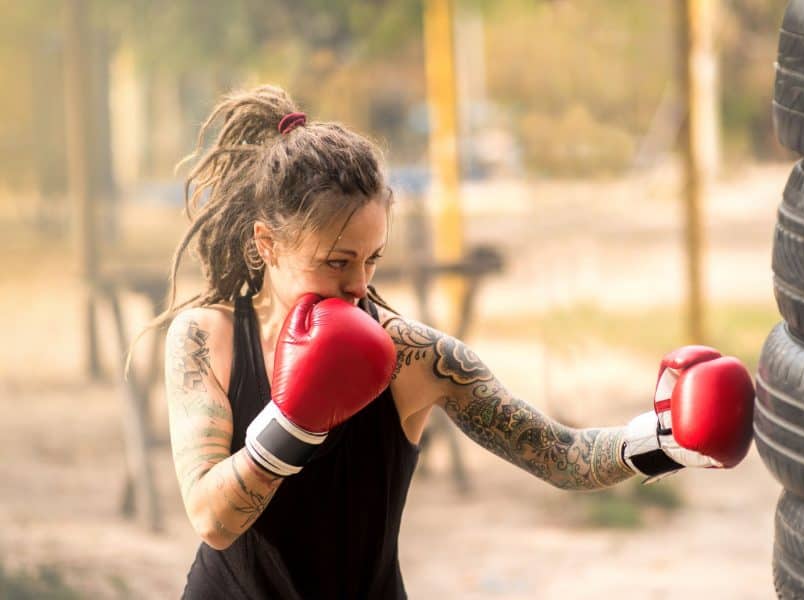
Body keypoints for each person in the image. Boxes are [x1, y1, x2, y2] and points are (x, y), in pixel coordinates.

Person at [158, 85, 756, 599]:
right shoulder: (204, 340)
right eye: (337, 262)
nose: (359, 285)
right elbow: (211, 519)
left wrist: (666, 440)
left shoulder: (414, 359)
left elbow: (561, 456)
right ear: (267, 244)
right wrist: (297, 420)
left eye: (373, 259)